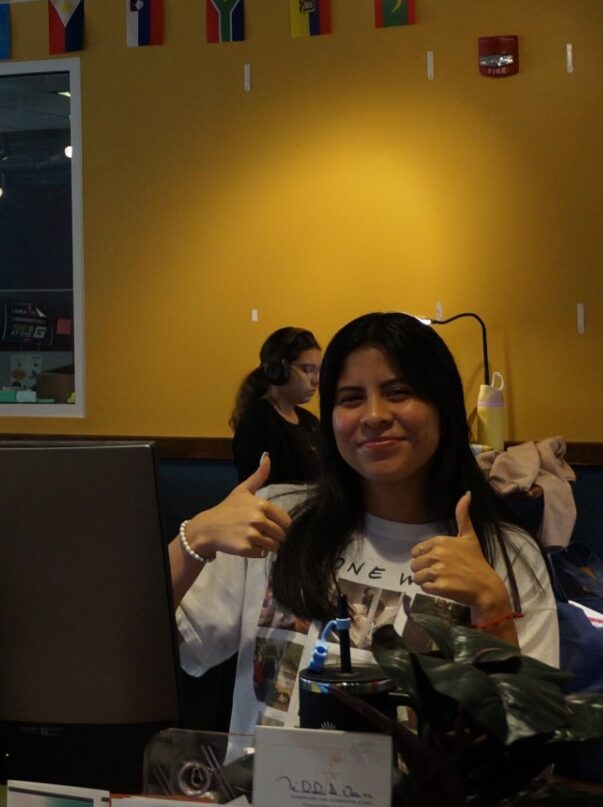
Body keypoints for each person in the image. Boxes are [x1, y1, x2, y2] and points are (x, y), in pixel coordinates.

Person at [170, 311, 560, 733]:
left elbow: (532, 749)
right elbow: (136, 654)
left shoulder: (504, 552)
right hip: (259, 796)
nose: (373, 415)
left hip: (421, 801)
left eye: (399, 392)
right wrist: (195, 539)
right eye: (351, 398)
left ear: (443, 407)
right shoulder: (275, 519)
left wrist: (493, 609)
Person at [229, 326, 322, 481]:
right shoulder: (258, 423)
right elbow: (261, 492)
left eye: (318, 371)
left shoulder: (309, 422)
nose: (316, 380)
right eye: (307, 370)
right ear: (278, 369)